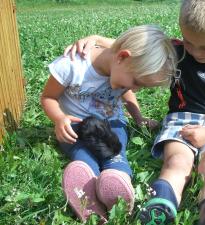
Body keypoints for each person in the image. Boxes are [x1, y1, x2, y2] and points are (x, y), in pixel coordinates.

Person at [64, 0, 205, 224]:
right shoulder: (179, 51)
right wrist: (96, 40)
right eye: (188, 42)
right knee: (176, 160)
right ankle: (161, 204)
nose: (195, 52)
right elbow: (135, 52)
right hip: (181, 121)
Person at [40, 24, 177, 223]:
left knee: (115, 151)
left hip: (111, 122)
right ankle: (86, 190)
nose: (135, 89)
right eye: (137, 82)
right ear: (121, 57)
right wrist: (59, 118)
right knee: (82, 155)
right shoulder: (72, 65)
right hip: (75, 126)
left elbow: (126, 91)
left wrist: (138, 117)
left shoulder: (123, 69)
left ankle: (116, 179)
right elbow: (48, 97)